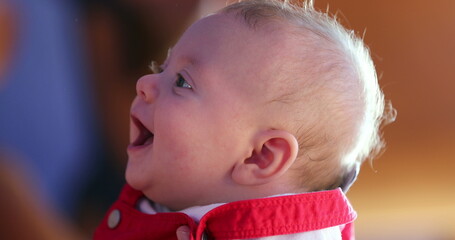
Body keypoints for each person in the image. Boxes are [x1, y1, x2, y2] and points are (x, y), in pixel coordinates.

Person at [95, 0, 394, 239]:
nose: (145, 82)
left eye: (182, 82)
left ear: (259, 157)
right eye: (162, 67)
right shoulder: (167, 199)